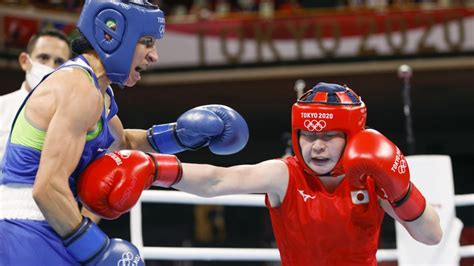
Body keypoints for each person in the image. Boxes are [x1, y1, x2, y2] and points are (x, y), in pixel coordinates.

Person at [79, 82, 443, 266]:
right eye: (308, 136)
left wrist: (399, 185)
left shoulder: (371, 177)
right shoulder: (285, 175)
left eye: (329, 137)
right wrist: (157, 168)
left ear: (351, 137)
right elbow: (218, 179)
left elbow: (431, 235)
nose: (316, 147)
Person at [0, 0, 248, 265]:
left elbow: (124, 141)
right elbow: (47, 188)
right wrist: (98, 251)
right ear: (113, 38)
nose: (154, 56)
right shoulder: (79, 89)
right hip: (29, 224)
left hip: (53, 222)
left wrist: (181, 135)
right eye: (147, 42)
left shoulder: (98, 90)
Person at [0, 28, 71, 165]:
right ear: (24, 61)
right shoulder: (1, 107)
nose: (50, 66)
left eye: (59, 62)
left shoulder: (72, 119)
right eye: (43, 58)